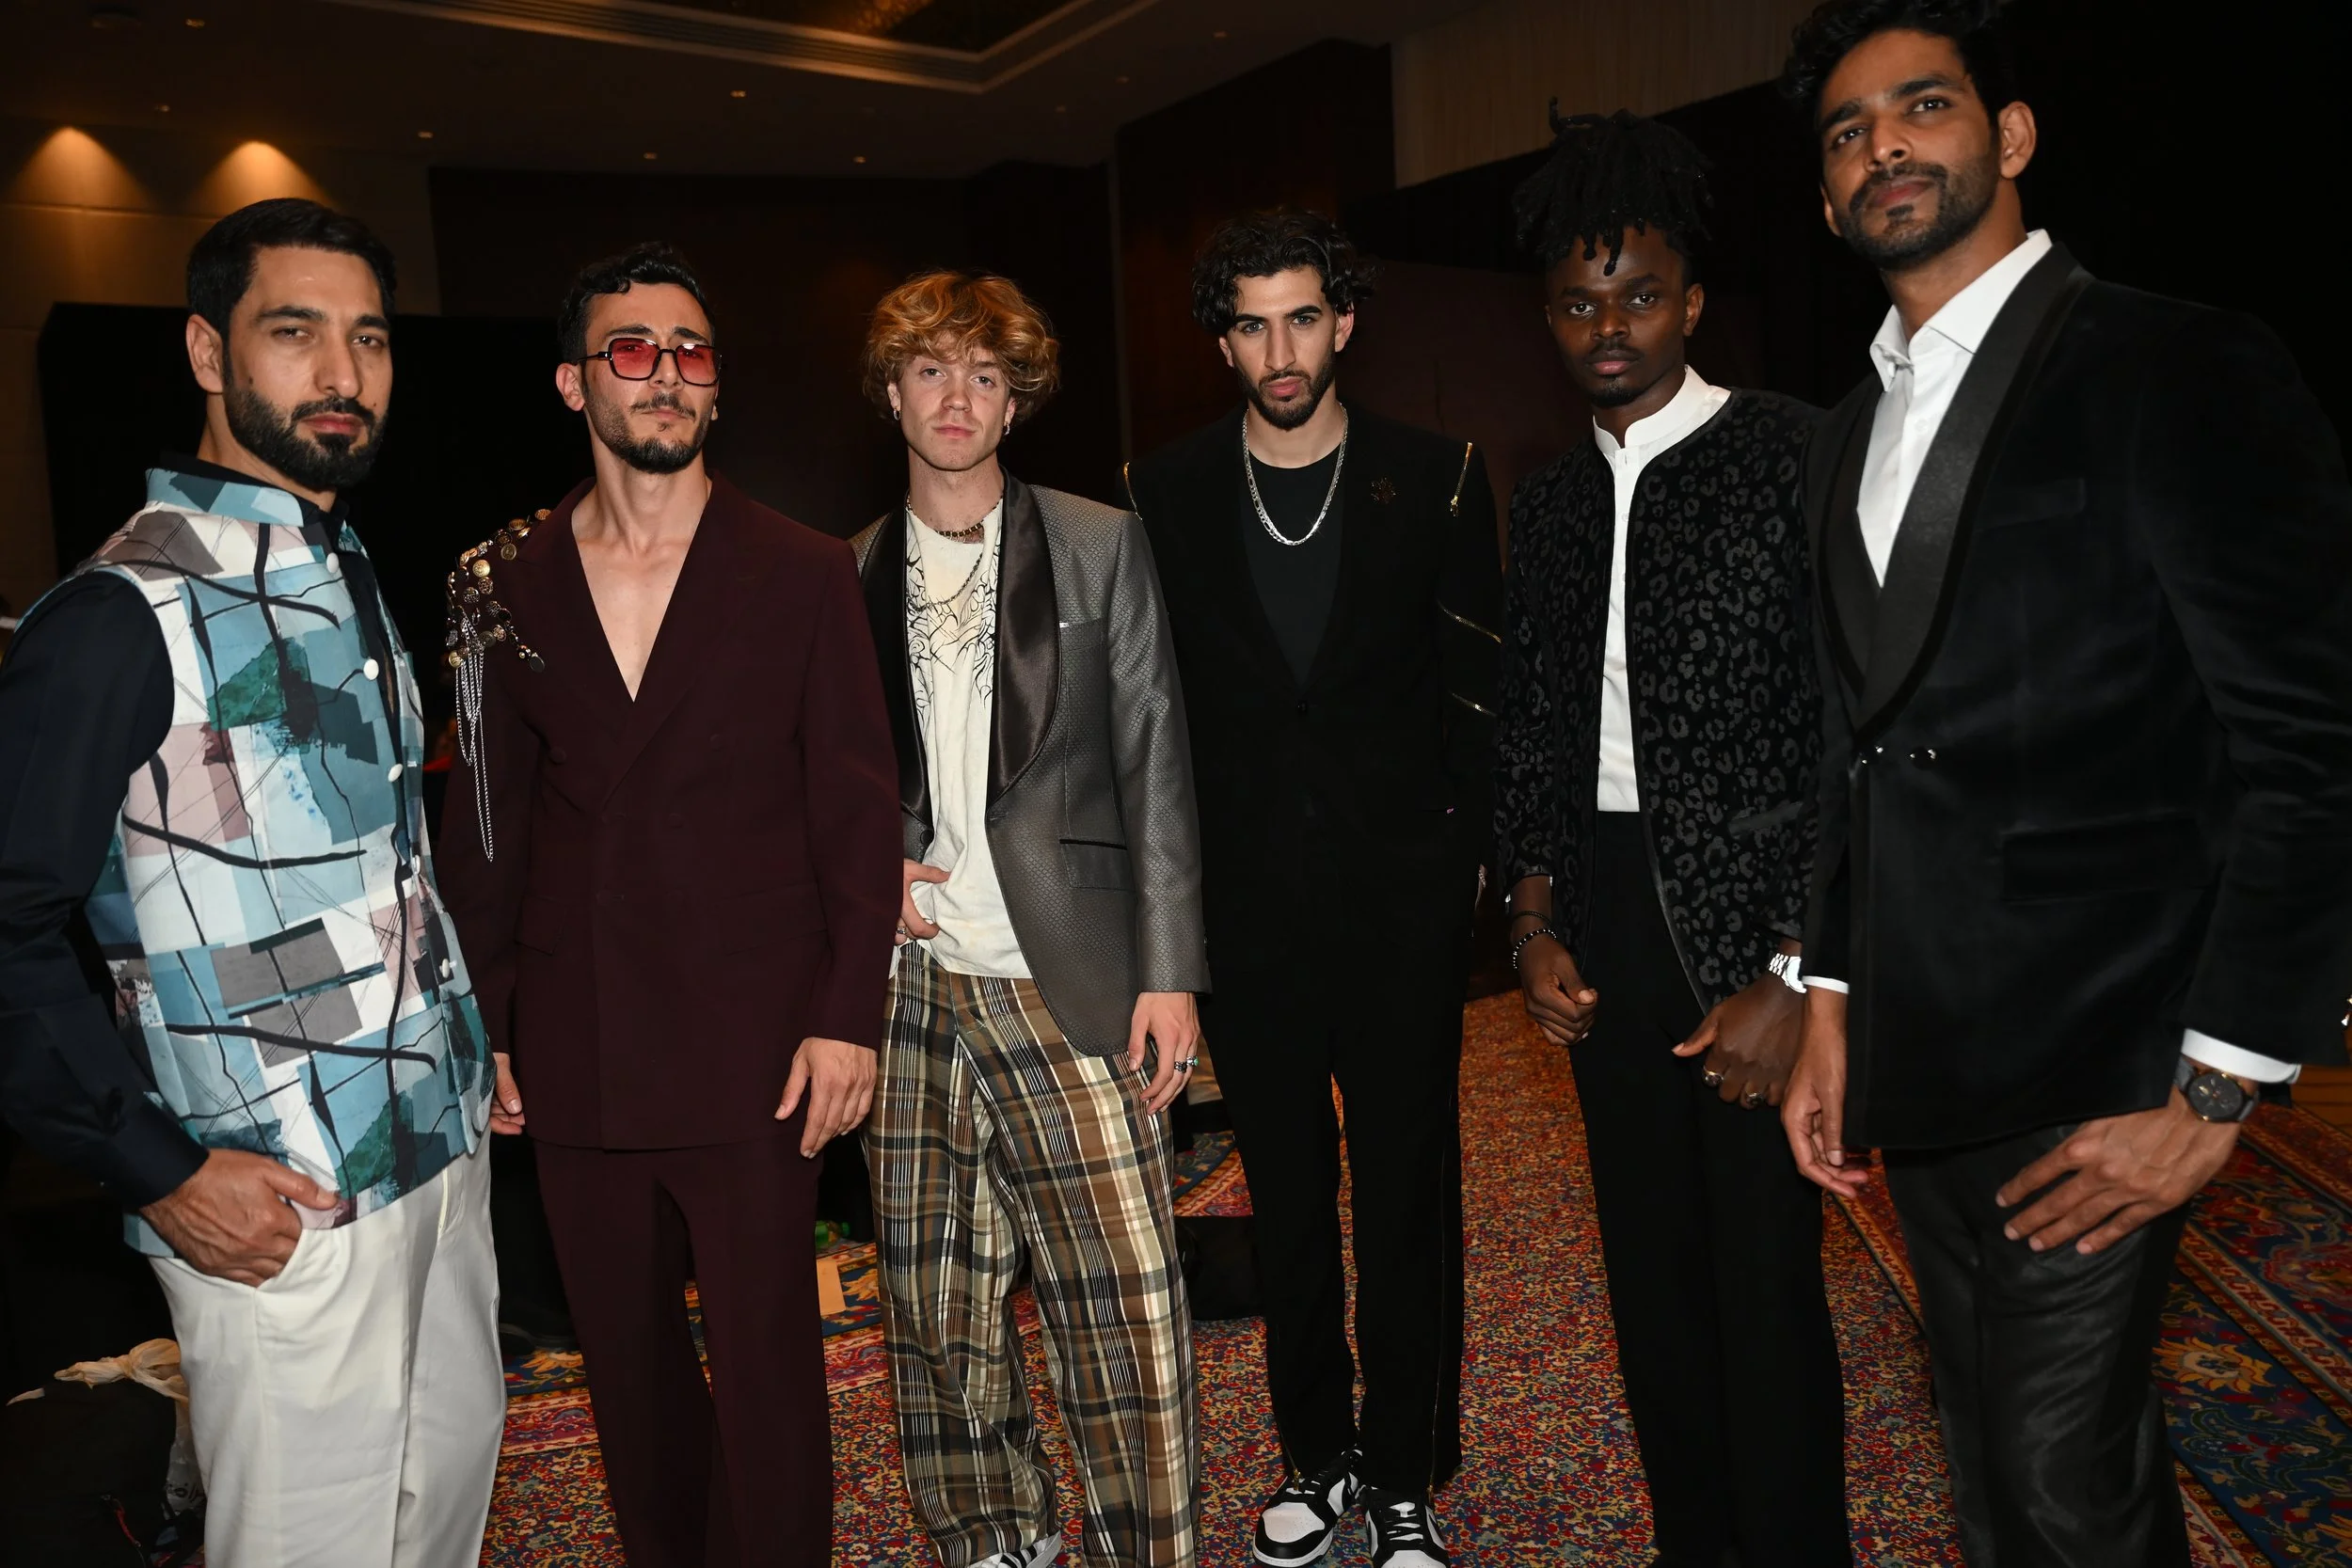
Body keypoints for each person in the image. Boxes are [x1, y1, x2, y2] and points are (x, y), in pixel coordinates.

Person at [1775, 3, 2352, 1562]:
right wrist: (1830, 997)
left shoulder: (2181, 363)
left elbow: (2309, 745)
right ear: (1828, 198)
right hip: (1924, 1053)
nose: (1884, 145)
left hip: (2114, 1058)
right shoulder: (1841, 439)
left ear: (2010, 136)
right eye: (1847, 132)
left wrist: (2221, 1085)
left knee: (2055, 1483)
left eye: (1922, 106)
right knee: (2006, 1465)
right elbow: (1859, 747)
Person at [0, 198, 501, 1567]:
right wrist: (158, 1171)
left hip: (435, 1159)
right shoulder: (119, 610)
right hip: (275, 1203)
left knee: (437, 1520)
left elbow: (371, 868)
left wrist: (466, 1037)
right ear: (209, 351)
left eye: (369, 339)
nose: (341, 373)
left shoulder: (340, 568)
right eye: (296, 332)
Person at [435, 243, 900, 1568]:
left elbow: (857, 811)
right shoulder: (495, 580)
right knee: (629, 1384)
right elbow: (486, 823)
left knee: (768, 1381)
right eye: (634, 351)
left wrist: (845, 1016)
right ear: (576, 382)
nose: (667, 375)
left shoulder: (805, 568)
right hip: (578, 1041)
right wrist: (489, 1020)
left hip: (761, 1047)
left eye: (691, 349)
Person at [1493, 108, 1849, 1568]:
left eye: (1639, 294)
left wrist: (1794, 965)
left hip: (1753, 920)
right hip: (1608, 921)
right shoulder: (1557, 494)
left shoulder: (1791, 454)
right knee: (1648, 1277)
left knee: (1763, 1284)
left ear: (1692, 303)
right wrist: (1529, 914)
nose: (1609, 326)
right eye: (1579, 303)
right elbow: (1532, 723)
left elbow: (1849, 732)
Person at [1123, 211, 1501, 1568]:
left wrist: (1476, 880)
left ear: (1343, 322)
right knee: (1283, 1192)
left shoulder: (1436, 472)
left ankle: (1406, 1467)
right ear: (1223, 339)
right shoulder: (1160, 490)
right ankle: (1317, 1454)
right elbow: (1144, 713)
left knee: (1409, 1188)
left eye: (1302, 317)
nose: (1278, 349)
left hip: (1402, 907)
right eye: (1251, 323)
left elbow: (1477, 700)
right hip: (1248, 917)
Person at [850, 270, 1207, 1568]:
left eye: (985, 375)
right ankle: (995, 1532)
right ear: (893, 390)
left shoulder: (1098, 541)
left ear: (1017, 399)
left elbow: (1157, 752)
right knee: (937, 1298)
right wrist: (861, 870)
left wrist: (1169, 972)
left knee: (1124, 1305)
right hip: (912, 988)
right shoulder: (841, 572)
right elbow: (822, 779)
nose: (958, 399)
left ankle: (1140, 1546)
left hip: (1075, 970)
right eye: (933, 371)